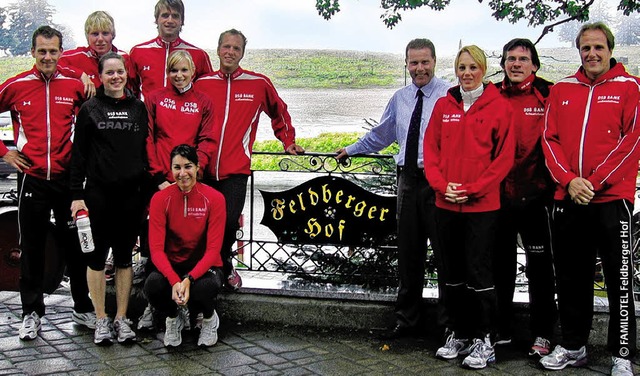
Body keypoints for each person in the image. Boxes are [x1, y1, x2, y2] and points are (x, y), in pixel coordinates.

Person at [540, 22, 639, 375]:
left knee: (619, 280)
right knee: (571, 278)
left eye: (598, 47)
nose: (592, 54)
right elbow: (548, 140)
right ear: (578, 51)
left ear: (610, 49)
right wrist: (569, 181)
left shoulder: (631, 88)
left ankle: (622, 354)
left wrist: (593, 183)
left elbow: (632, 142)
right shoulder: (562, 89)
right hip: (569, 200)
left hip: (612, 201)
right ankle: (573, 346)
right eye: (586, 48)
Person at [336, 38, 450, 339]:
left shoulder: (449, 94)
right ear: (406, 64)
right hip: (408, 181)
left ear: (435, 61)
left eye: (425, 62)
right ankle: (407, 320)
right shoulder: (400, 98)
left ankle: (448, 324)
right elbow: (382, 134)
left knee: (444, 253)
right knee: (409, 252)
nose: (419, 68)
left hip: (439, 181)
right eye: (414, 63)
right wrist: (352, 149)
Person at [0, 25, 95, 340]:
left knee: (75, 248)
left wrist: (87, 79)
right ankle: (31, 313)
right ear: (32, 52)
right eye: (42, 51)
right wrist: (6, 153)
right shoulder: (16, 85)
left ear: (60, 52)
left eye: (53, 51)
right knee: (32, 248)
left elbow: (97, 108)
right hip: (33, 179)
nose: (47, 57)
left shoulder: (73, 85)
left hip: (68, 181)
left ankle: (82, 308)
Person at [424, 45, 515, 369]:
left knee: (480, 274)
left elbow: (503, 159)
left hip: (482, 207)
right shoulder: (443, 105)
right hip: (445, 204)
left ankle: (484, 338)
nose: (466, 73)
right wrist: (440, 185)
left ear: (483, 69)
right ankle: (457, 333)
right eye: (461, 67)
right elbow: (430, 151)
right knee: (451, 273)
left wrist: (474, 189)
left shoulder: (499, 107)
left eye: (473, 67)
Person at [194, 29, 304, 289]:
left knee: (229, 223)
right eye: (226, 47)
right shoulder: (202, 83)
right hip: (202, 170)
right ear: (218, 49)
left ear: (242, 53)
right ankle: (209, 273)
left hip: (235, 170)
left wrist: (288, 141)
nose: (230, 52)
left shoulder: (257, 83)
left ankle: (222, 266)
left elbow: (279, 112)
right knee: (200, 225)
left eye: (236, 48)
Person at [69, 52, 148, 345]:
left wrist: (147, 191)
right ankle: (101, 318)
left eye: (120, 72)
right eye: (109, 73)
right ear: (99, 77)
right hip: (98, 196)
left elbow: (144, 153)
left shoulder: (138, 109)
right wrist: (76, 195)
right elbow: (78, 157)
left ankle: (122, 318)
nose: (115, 77)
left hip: (130, 197)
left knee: (126, 259)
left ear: (126, 75)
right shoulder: (89, 109)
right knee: (96, 258)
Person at [492, 38, 557, 356]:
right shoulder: (492, 94)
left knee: (540, 270)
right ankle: (501, 331)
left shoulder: (548, 93)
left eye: (522, 58)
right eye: (510, 59)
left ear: (534, 64)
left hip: (538, 198)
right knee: (500, 268)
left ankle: (542, 335)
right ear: (503, 63)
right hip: (499, 198)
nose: (515, 64)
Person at [144, 144, 225, 347]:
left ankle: (208, 318)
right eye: (176, 168)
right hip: (173, 265)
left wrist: (189, 279)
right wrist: (174, 281)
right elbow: (155, 249)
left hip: (204, 267)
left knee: (204, 288)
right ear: (170, 170)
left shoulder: (215, 199)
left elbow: (214, 250)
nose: (182, 174)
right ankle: (173, 317)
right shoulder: (160, 199)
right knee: (152, 285)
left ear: (197, 167)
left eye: (188, 166)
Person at [145, 50, 215, 190]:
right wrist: (158, 177)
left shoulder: (203, 102)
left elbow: (207, 140)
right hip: (159, 179)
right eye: (174, 70)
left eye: (184, 70)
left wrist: (194, 172)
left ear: (193, 71)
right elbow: (147, 138)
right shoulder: (154, 98)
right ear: (167, 72)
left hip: (189, 178)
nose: (179, 75)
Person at [129, 0, 213, 100]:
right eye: (165, 15)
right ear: (156, 19)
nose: (170, 20)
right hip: (147, 114)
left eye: (175, 16)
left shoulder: (199, 55)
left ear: (182, 21)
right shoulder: (138, 52)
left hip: (184, 114)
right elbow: (131, 91)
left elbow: (207, 92)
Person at [59, 10, 134, 97]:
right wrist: (81, 75)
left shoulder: (124, 58)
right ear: (87, 36)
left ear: (113, 35)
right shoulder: (78, 56)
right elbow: (54, 62)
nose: (100, 39)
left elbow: (133, 90)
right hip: (88, 108)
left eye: (105, 33)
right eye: (95, 34)